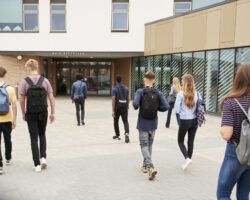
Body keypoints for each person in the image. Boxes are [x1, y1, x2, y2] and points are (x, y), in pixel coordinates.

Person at [217, 64, 250, 200]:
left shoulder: (231, 102)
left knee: (223, 194)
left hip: (235, 153)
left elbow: (226, 134)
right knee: (243, 195)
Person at [19, 59, 55, 172]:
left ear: (28, 68)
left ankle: (37, 165)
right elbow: (51, 98)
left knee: (33, 138)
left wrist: (23, 113)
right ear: (37, 67)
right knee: (42, 134)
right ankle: (43, 158)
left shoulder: (24, 81)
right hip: (43, 111)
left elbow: (22, 99)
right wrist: (53, 112)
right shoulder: (45, 80)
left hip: (31, 112)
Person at [133, 71, 168, 180]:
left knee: (144, 145)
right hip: (153, 123)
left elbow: (135, 105)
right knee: (149, 145)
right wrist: (157, 108)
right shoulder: (158, 92)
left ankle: (150, 166)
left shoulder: (140, 91)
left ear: (144, 79)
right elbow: (166, 106)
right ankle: (145, 166)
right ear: (154, 80)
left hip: (142, 122)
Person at [174, 74, 199, 171]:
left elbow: (176, 110)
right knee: (190, 141)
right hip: (195, 121)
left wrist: (182, 112)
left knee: (180, 141)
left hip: (185, 120)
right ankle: (188, 160)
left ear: (184, 82)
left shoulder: (180, 94)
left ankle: (187, 159)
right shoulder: (197, 93)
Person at [0, 67, 17, 174]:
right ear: (4, 75)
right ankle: (8, 158)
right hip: (7, 119)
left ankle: (0, 166)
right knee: (7, 139)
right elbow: (14, 106)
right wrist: (14, 120)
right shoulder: (10, 89)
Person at [112, 75, 130, 143]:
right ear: (121, 80)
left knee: (116, 121)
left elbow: (113, 100)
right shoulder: (126, 88)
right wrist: (127, 105)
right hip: (124, 107)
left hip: (117, 107)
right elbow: (128, 98)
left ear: (116, 81)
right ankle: (127, 133)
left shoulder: (114, 89)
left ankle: (117, 135)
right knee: (125, 121)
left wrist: (113, 111)